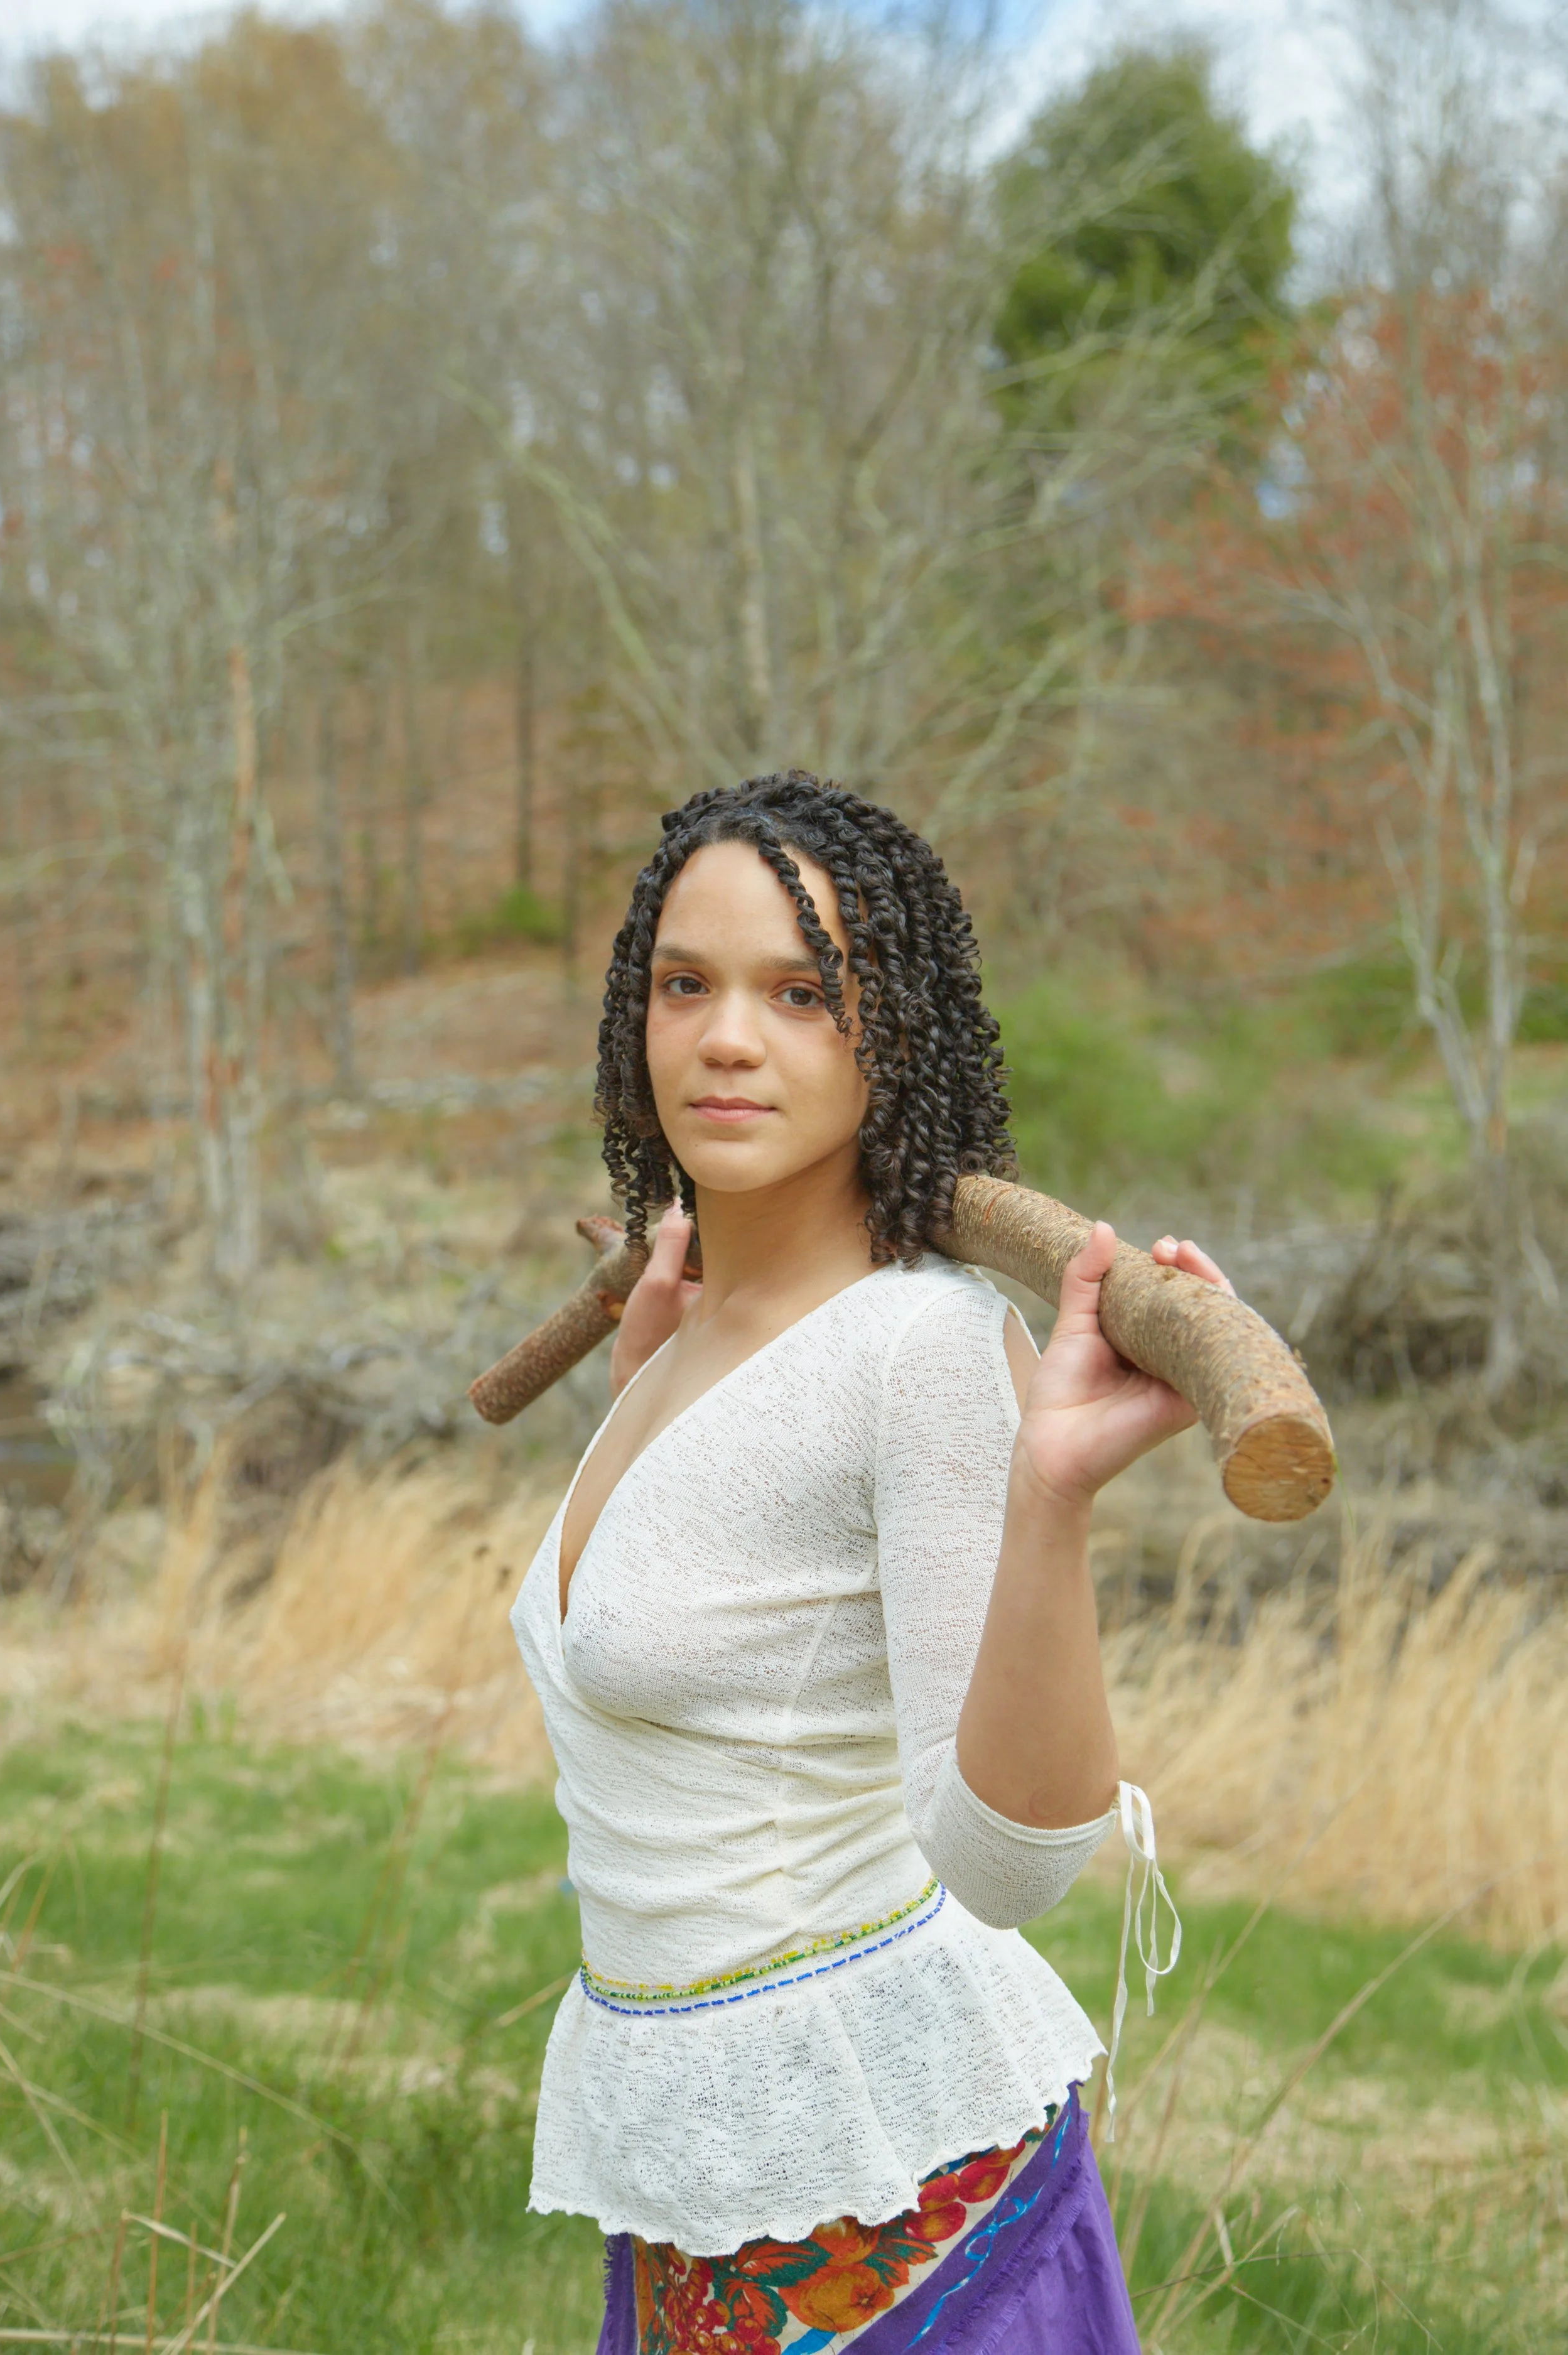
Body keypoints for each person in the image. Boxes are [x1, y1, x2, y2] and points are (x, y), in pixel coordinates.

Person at [509, 772, 1228, 2353]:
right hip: (697, 2191)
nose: (724, 1039)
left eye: (800, 993)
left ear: (888, 1036)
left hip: (896, 2226)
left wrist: (1049, 1501)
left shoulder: (917, 1347)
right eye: (684, 984)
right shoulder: (690, 1335)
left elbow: (1009, 1865)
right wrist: (653, 1379)